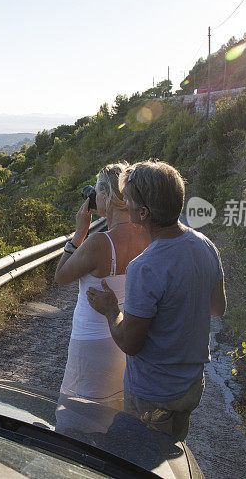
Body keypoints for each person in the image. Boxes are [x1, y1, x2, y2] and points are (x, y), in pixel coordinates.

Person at [87, 160, 226, 441]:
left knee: (141, 459)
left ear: (143, 213)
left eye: (129, 198)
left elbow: (130, 344)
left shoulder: (145, 266)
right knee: (171, 454)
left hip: (153, 394)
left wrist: (111, 308)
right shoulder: (205, 244)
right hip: (190, 386)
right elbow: (217, 307)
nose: (124, 200)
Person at [54, 163, 151, 432]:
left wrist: (79, 233)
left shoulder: (99, 243)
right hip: (126, 336)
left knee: (77, 423)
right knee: (111, 422)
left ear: (107, 197)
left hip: (91, 343)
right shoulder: (147, 235)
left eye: (98, 192)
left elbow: (61, 276)